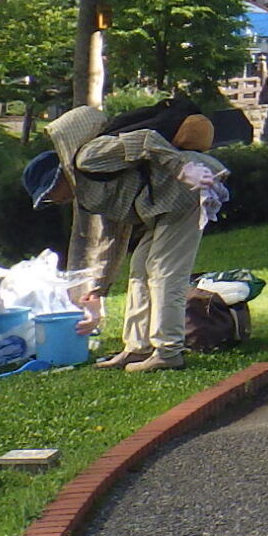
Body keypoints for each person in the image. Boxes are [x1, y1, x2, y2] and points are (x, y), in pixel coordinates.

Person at [53, 99, 218, 372]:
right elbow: (114, 234)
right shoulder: (88, 187)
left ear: (57, 178)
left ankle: (168, 351)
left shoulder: (88, 157)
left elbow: (145, 139)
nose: (54, 201)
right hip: (163, 202)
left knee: (164, 271)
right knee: (139, 269)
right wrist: (99, 287)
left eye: (49, 195)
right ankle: (137, 347)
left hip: (186, 190)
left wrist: (181, 168)